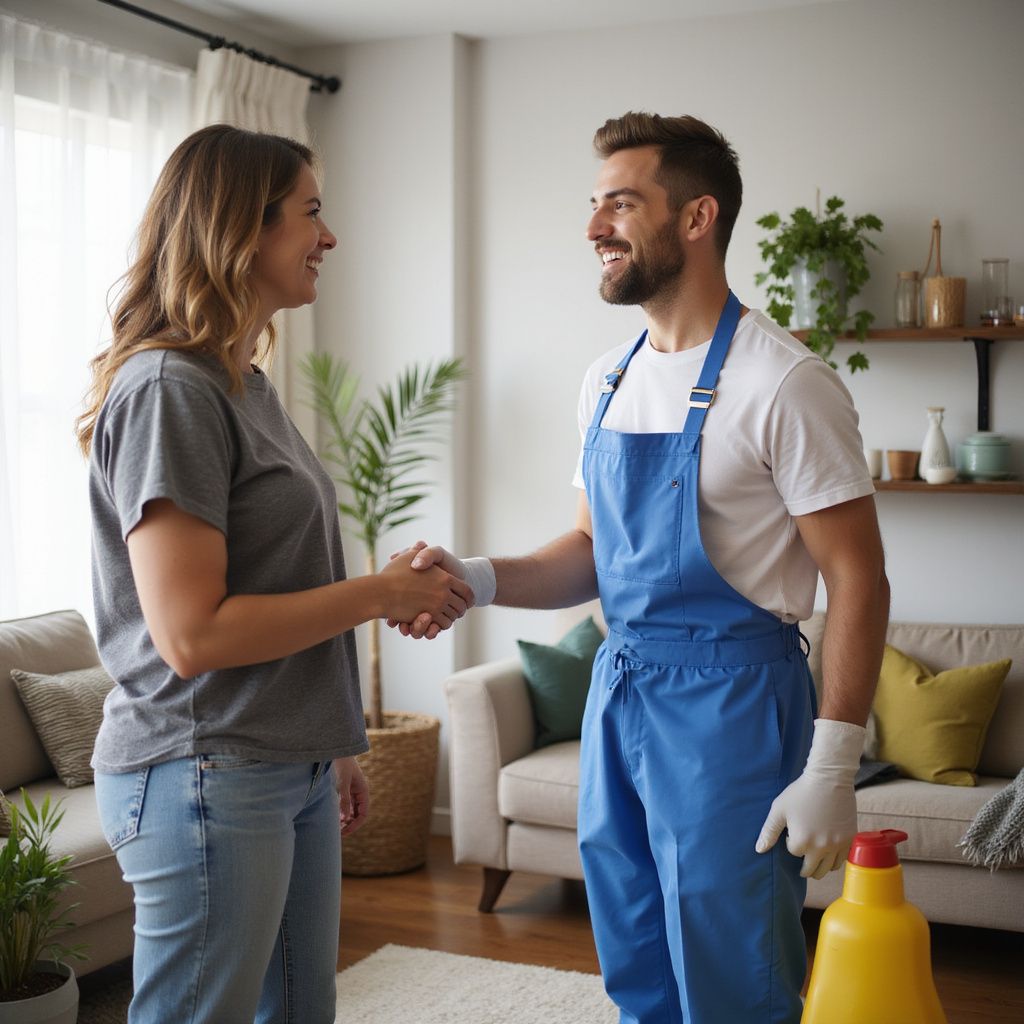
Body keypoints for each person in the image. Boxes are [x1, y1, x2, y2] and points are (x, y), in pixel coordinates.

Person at [393, 112, 890, 1023]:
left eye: (620, 204)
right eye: (594, 205)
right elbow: (589, 552)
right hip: (620, 692)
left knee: (731, 971)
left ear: (697, 218)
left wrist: (833, 761)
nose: (593, 229)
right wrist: (475, 574)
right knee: (634, 953)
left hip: (735, 703)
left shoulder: (786, 382)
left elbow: (859, 581)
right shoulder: (608, 380)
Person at [75, 124, 472, 1024]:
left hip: (273, 760)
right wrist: (381, 595)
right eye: (311, 214)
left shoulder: (240, 383)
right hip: (201, 767)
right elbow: (192, 635)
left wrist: (324, 743)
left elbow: (272, 578)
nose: (329, 238)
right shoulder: (169, 389)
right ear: (239, 230)